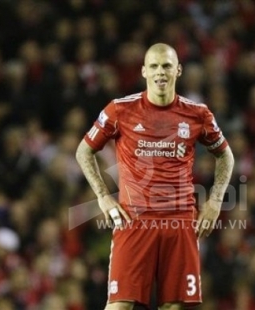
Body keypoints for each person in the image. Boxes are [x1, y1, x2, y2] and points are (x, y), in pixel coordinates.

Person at [75, 43, 234, 310]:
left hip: (180, 221)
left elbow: (225, 155)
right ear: (144, 71)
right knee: (120, 305)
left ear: (178, 70)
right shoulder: (119, 110)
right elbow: (84, 151)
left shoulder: (198, 114)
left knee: (174, 306)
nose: (161, 72)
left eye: (167, 66)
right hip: (134, 219)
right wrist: (103, 197)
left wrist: (216, 200)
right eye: (154, 66)